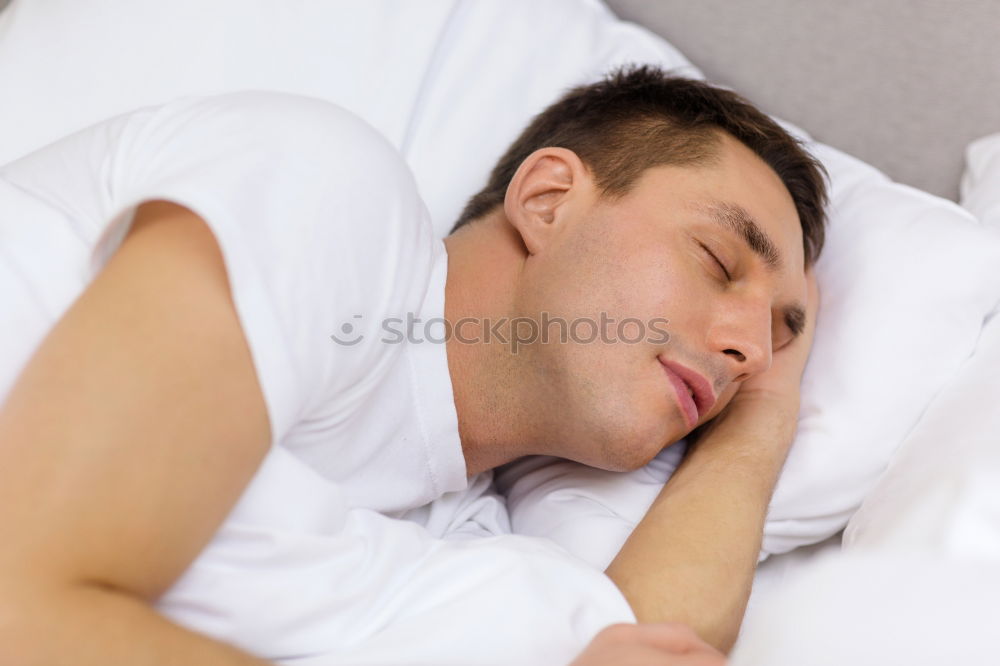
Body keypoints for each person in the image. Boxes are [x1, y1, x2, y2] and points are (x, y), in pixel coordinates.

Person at [0, 66, 825, 664]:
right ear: (547, 201)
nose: (750, 348)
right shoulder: (328, 193)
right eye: (718, 262)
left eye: (780, 335)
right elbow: (22, 612)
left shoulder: (452, 537)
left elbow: (647, 641)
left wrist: (764, 415)